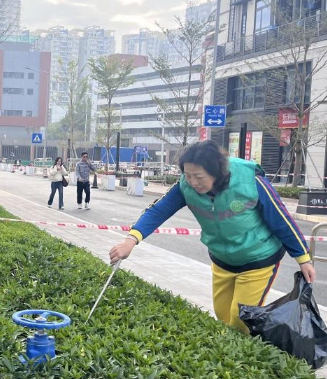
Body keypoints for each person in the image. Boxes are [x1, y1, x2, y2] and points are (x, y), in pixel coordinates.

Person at [109, 141, 316, 334]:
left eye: (198, 176)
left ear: (216, 171)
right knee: (223, 317)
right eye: (187, 175)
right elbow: (158, 210)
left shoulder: (250, 181)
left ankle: (247, 364)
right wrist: (131, 240)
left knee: (240, 320)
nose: (192, 182)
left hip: (258, 259)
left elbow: (281, 219)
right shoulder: (185, 185)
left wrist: (303, 259)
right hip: (222, 260)